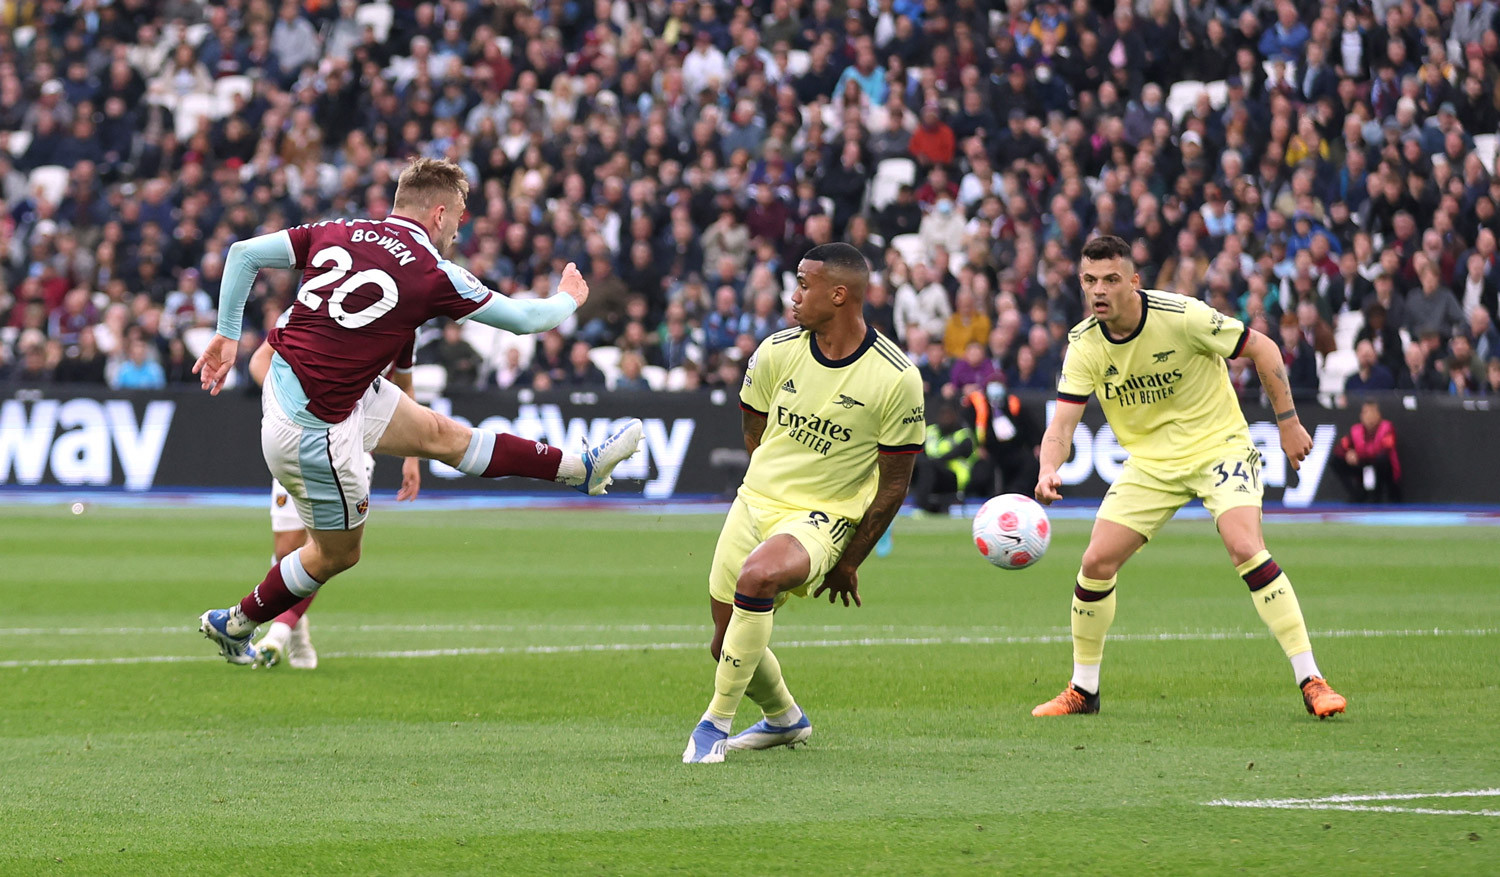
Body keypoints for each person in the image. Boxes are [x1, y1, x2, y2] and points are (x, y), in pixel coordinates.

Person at [193, 158, 644, 665]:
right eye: (458, 217)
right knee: (338, 554)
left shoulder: (339, 229)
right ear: (438, 213)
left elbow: (242, 253)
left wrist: (226, 335)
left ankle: (579, 470)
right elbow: (523, 318)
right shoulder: (432, 273)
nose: (457, 228)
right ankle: (235, 622)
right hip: (314, 428)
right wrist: (568, 300)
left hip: (307, 386)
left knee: (440, 435)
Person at [1032, 236, 1346, 720]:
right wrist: (1048, 467)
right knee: (1095, 562)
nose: (1099, 290)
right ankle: (1083, 691)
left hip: (1217, 446)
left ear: (1133, 283)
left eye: (1111, 280)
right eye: (1090, 281)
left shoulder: (1182, 315)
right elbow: (1061, 426)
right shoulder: (1084, 346)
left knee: (1244, 545)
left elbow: (1262, 348)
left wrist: (1288, 423)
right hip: (1151, 465)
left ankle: (1312, 680)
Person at [682, 243, 924, 763]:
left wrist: (850, 558)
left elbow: (895, 482)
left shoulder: (896, 377)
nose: (792, 297)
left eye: (803, 285)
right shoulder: (776, 351)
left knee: (758, 579)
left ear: (839, 295)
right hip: (755, 501)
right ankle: (785, 719)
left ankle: (712, 727)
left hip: (824, 515)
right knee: (724, 645)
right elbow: (754, 427)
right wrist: (770, 481)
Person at [245, 314, 425, 669]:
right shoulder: (314, 303)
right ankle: (297, 628)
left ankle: (279, 634)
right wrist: (291, 403)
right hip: (298, 436)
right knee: (286, 550)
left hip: (353, 447)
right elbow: (259, 360)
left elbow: (405, 387)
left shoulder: (403, 319)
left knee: (323, 548)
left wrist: (412, 455)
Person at [911, 402, 979, 514]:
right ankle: (921, 503)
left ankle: (921, 506)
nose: (945, 418)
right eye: (942, 414)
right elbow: (919, 451)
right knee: (919, 464)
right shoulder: (930, 432)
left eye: (948, 414)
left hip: (954, 477)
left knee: (928, 465)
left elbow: (958, 452)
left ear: (955, 416)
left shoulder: (963, 434)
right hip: (931, 474)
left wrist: (932, 462)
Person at [1330, 399, 1401, 503]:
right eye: (1365, 412)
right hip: (1362, 467)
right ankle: (1356, 494)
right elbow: (1341, 448)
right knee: (1335, 460)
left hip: (1382, 470)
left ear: (1378, 414)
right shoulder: (1355, 430)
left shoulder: (1387, 428)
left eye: (1371, 412)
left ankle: (1385, 496)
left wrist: (1359, 454)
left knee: (1382, 461)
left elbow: (1386, 449)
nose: (1368, 416)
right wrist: (1348, 453)